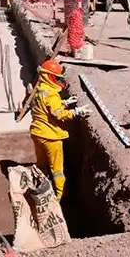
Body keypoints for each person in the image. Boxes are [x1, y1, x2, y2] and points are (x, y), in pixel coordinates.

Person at [29, 60, 90, 199]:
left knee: (42, 165)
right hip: (50, 137)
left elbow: (46, 107)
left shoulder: (40, 89)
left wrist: (64, 102)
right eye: (56, 77)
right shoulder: (51, 94)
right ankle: (59, 197)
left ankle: (41, 189)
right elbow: (59, 114)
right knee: (57, 171)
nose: (58, 80)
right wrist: (76, 111)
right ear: (49, 76)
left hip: (37, 133)